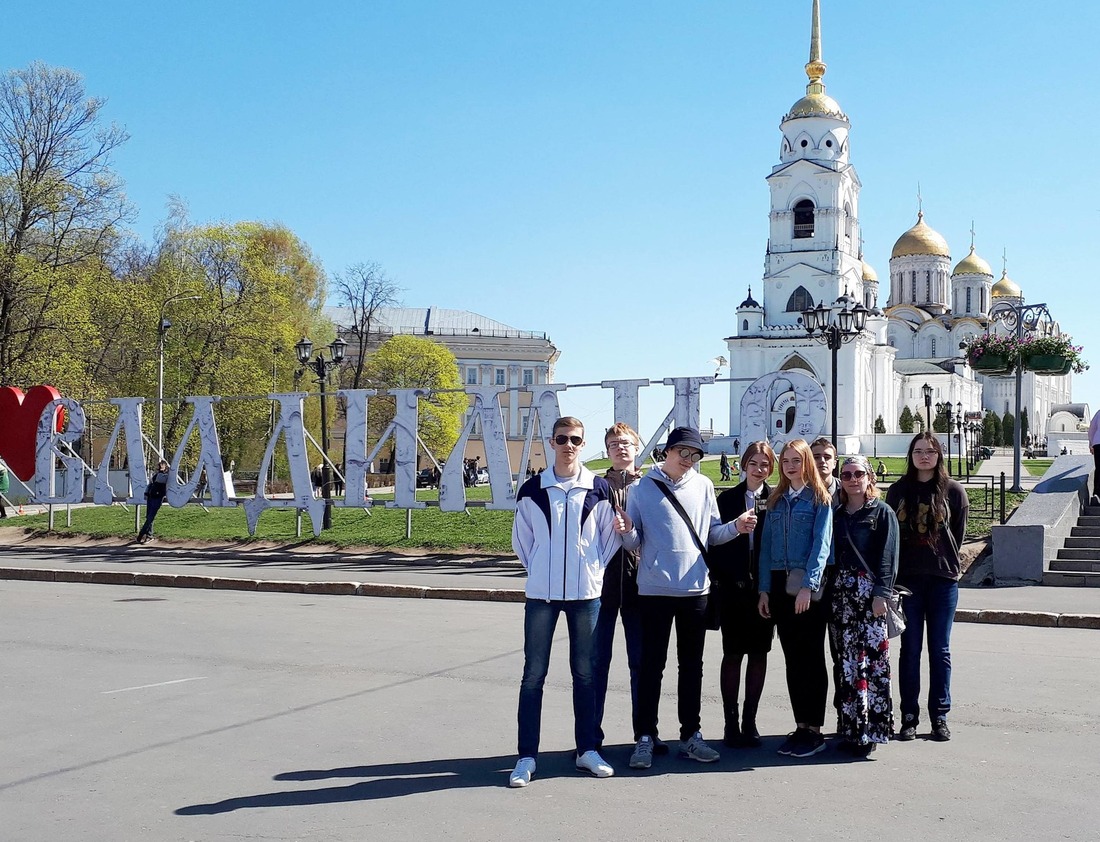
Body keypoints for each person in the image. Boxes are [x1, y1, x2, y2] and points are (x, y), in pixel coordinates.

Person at [616, 427, 755, 770]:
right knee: (651, 667)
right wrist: (626, 532)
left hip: (695, 591)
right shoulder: (641, 488)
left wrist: (735, 528)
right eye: (684, 453)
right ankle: (645, 736)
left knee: (691, 667)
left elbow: (711, 535)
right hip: (654, 591)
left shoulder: (704, 485)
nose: (689, 460)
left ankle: (691, 735)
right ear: (668, 451)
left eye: (695, 455)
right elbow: (634, 543)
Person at [509, 417, 620, 788]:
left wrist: (590, 572)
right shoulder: (532, 490)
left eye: (575, 440)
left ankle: (586, 750)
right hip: (541, 596)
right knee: (533, 675)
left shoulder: (600, 489)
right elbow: (522, 543)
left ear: (582, 444)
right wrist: (541, 569)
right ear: (551, 442)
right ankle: (526, 756)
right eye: (562, 439)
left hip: (586, 597)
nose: (568, 445)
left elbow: (608, 542)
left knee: (585, 675)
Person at [885, 433, 968, 742]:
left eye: (930, 451)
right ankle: (909, 716)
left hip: (942, 580)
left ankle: (940, 717)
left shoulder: (954, 492)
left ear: (939, 456)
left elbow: (956, 536)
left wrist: (943, 562)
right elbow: (891, 535)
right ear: (911, 455)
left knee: (940, 649)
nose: (924, 456)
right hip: (908, 582)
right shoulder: (898, 491)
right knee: (910, 649)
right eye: (918, 451)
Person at [758, 438, 833, 758]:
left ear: (807, 463)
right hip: (778, 584)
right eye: (785, 460)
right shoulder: (776, 500)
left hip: (805, 585)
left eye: (796, 460)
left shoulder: (819, 500)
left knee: (811, 657)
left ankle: (814, 729)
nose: (790, 466)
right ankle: (800, 725)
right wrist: (763, 589)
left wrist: (809, 586)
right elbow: (765, 549)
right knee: (792, 657)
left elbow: (821, 546)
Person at [830, 455, 899, 757]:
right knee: (847, 664)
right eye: (846, 475)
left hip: (871, 596)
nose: (852, 479)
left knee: (872, 664)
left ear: (870, 477)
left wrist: (882, 593)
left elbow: (888, 556)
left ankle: (872, 729)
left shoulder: (881, 512)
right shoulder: (838, 514)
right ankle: (850, 728)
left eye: (858, 473)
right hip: (843, 597)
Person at [712, 441, 776, 748]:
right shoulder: (728, 498)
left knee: (759, 654)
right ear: (743, 465)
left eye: (765, 465)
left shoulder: (774, 499)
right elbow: (714, 541)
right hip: (734, 589)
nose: (759, 469)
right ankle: (730, 722)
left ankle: (750, 721)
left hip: (763, 590)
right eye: (754, 463)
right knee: (733, 654)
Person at [593, 422, 652, 754]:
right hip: (601, 588)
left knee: (641, 664)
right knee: (596, 663)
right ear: (607, 450)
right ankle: (590, 736)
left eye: (626, 443)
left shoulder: (650, 486)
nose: (620, 448)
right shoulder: (595, 486)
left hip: (640, 586)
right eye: (614, 444)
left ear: (636, 446)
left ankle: (644, 734)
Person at [137, 459, 171, 543]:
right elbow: (150, 484)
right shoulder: (158, 475)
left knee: (150, 517)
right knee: (149, 517)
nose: (159, 467)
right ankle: (149, 535)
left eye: (161, 465)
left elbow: (158, 480)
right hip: (151, 496)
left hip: (157, 497)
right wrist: (146, 492)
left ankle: (142, 534)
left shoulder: (163, 476)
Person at [810, 436, 840, 503]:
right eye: (816, 457)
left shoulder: (846, 490)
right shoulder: (801, 490)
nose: (822, 461)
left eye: (827, 457)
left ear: (834, 463)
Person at [1090, 407, 1100, 505]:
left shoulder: (1098, 413)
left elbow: (1092, 429)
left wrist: (1091, 443)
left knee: (1099, 469)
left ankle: (1096, 494)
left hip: (1098, 444)